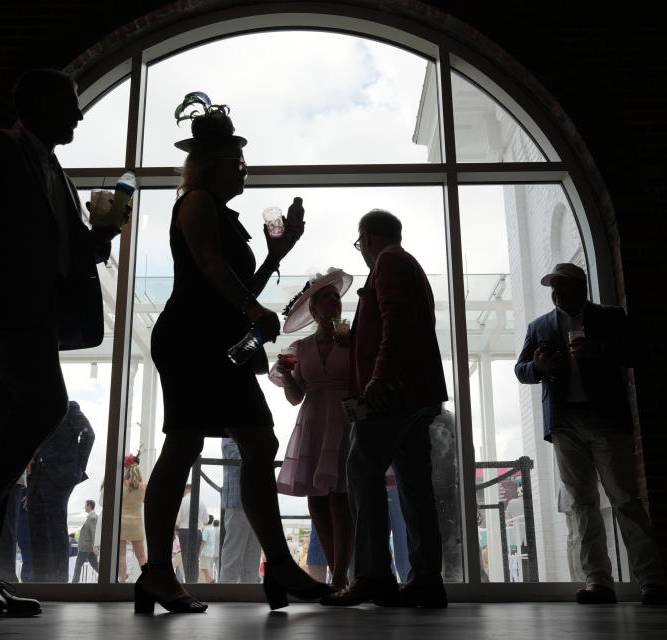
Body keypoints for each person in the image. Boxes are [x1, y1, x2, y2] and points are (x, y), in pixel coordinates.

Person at [0, 68, 122, 617]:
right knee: (46, 405)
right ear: (34, 102)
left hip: (39, 315)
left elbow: (64, 251)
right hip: (5, 307)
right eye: (68, 103)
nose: (79, 115)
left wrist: (101, 236)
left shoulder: (56, 171)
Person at [135, 93, 330, 613]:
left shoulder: (217, 210)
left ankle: (277, 569)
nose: (244, 170)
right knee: (185, 444)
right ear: (213, 165)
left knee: (256, 442)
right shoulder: (197, 203)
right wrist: (251, 304)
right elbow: (206, 264)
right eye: (237, 162)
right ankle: (156, 571)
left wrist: (275, 257)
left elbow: (236, 281)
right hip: (194, 338)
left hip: (218, 340)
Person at [514, 262, 667, 605]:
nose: (555, 292)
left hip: (606, 420)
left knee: (624, 498)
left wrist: (599, 350)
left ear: (580, 286)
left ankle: (652, 582)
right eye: (552, 287)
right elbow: (521, 371)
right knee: (582, 504)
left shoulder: (611, 318)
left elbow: (637, 354)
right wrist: (537, 367)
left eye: (561, 285)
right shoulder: (539, 326)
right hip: (565, 424)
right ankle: (598, 582)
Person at [322, 209, 449, 608]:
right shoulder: (409, 265)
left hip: (392, 392)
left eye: (361, 244)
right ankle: (427, 579)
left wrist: (378, 377)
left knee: (362, 469)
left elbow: (397, 321)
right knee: (413, 484)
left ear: (370, 239)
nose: (362, 252)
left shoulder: (388, 262)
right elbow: (400, 322)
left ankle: (374, 575)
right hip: (416, 392)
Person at [270, 267, 355, 588]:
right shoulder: (300, 349)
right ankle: (336, 575)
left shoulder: (352, 338)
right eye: (326, 297)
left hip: (345, 420)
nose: (335, 301)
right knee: (317, 499)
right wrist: (288, 376)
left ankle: (342, 575)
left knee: (340, 497)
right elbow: (294, 398)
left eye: (337, 296)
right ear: (314, 307)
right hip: (313, 421)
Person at [26, 400, 95, 583]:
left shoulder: (69, 408)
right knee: (37, 531)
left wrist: (77, 469)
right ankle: (40, 582)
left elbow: (89, 435)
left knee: (56, 530)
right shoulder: (37, 413)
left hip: (59, 478)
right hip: (36, 480)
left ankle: (59, 582)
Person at [219, 438, 262, 584]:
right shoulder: (229, 438)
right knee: (234, 551)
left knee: (253, 554)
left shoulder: (241, 438)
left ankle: (248, 589)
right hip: (237, 500)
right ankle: (227, 591)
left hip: (254, 501)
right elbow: (238, 459)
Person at [118, 454, 146, 582]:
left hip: (122, 521)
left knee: (121, 555)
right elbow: (146, 501)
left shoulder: (121, 484)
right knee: (141, 556)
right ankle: (148, 581)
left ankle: (122, 581)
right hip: (136, 522)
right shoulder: (143, 486)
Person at [175, 484, 209, 584]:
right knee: (195, 558)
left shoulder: (182, 501)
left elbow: (177, 520)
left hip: (184, 531)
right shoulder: (201, 501)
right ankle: (194, 582)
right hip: (197, 532)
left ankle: (188, 582)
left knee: (186, 557)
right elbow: (206, 519)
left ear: (185, 490)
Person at [71, 500, 99, 583]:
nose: (84, 507)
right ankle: (107, 578)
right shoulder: (91, 516)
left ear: (89, 506)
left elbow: (94, 533)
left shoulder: (92, 517)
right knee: (95, 565)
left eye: (85, 505)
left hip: (86, 547)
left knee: (78, 565)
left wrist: (95, 546)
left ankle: (74, 583)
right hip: (89, 547)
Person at [200, 516, 218, 583]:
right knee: (204, 567)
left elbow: (203, 541)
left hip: (206, 551)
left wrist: (199, 551)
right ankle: (211, 580)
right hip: (210, 551)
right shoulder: (212, 529)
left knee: (204, 568)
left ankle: (209, 582)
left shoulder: (206, 529)